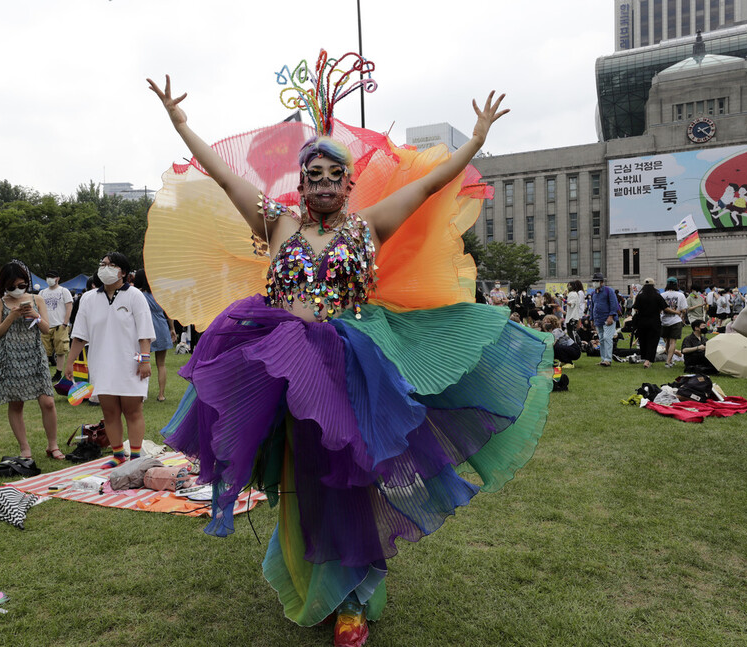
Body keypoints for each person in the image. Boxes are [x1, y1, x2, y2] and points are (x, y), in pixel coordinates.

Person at [147, 54, 549, 647]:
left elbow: (430, 185)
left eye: (335, 176)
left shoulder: (368, 227)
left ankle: (353, 599)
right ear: (302, 182)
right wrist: (183, 128)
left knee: (351, 475)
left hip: (350, 362)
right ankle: (314, 574)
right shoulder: (278, 225)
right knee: (297, 471)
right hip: (283, 361)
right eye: (315, 176)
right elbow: (228, 180)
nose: (326, 184)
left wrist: (477, 143)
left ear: (349, 183)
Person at [67, 252, 155, 469]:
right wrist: (69, 362)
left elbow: (144, 332)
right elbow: (79, 335)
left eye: (111, 265)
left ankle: (135, 456)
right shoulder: (88, 298)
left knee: (133, 410)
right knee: (110, 413)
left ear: (123, 272)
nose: (105, 267)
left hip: (131, 363)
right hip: (101, 364)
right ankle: (118, 455)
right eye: (103, 264)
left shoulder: (135, 296)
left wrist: (145, 360)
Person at [0, 261, 62, 461]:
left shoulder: (37, 298)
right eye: (12, 286)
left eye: (21, 285)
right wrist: (13, 316)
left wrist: (35, 315)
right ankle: (25, 448)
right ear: (4, 285)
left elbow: (46, 329)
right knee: (16, 403)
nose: (17, 290)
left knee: (48, 401)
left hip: (35, 353)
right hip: (10, 356)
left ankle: (53, 445)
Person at [132, 269, 177, 402]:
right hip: (161, 328)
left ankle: (141, 393)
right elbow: (169, 314)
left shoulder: (138, 295)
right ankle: (161, 395)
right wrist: (172, 328)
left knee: (142, 361)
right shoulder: (161, 295)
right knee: (161, 364)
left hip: (144, 330)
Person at [39, 270, 73, 383]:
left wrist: (65, 323)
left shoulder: (64, 291)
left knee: (60, 351)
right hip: (46, 325)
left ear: (57, 278)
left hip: (60, 325)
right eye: (47, 277)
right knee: (44, 351)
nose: (49, 279)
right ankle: (43, 373)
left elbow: (69, 307)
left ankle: (58, 373)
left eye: (52, 277)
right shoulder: (42, 292)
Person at [632, 278, 668, 368]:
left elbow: (635, 308)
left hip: (642, 322)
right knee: (653, 341)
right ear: (653, 285)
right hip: (654, 321)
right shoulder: (657, 295)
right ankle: (648, 361)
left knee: (643, 340)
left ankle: (644, 357)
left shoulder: (639, 296)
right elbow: (664, 307)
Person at [588, 272, 619, 366]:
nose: (595, 283)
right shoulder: (594, 293)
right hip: (598, 319)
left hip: (608, 318)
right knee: (601, 339)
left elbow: (614, 304)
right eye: (594, 281)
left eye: (596, 281)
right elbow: (592, 307)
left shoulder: (609, 291)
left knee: (607, 338)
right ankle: (603, 359)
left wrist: (611, 316)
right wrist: (592, 319)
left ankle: (608, 359)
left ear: (601, 282)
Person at [660, 277, 688, 367]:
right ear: (676, 284)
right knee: (673, 342)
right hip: (676, 320)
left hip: (664, 320)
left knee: (667, 342)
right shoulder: (681, 295)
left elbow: (660, 309)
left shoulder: (662, 295)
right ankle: (668, 361)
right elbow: (684, 309)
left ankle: (670, 360)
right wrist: (682, 315)